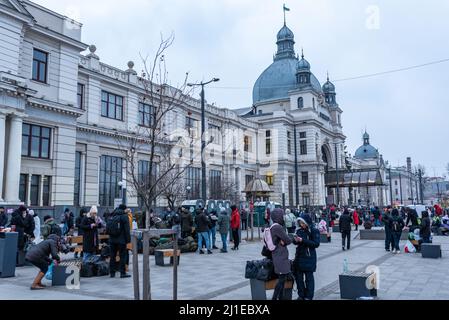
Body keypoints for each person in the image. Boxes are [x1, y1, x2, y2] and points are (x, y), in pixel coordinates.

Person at [293, 214, 320, 300]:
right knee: (299, 279)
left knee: (309, 278)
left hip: (309, 258)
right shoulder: (299, 231)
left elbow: (316, 244)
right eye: (300, 223)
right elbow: (295, 242)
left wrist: (302, 240)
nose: (302, 225)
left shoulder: (314, 231)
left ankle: (308, 296)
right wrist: (295, 240)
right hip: (299, 257)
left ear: (307, 222)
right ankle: (301, 295)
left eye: (303, 223)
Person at [269, 208, 292, 300]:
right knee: (281, 280)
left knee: (282, 279)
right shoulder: (277, 227)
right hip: (280, 256)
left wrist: (284, 241)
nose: (283, 218)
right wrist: (285, 241)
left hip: (277, 255)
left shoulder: (273, 226)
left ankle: (280, 298)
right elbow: (288, 240)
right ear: (278, 217)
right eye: (282, 216)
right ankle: (274, 298)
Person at [107, 204, 131, 278]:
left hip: (112, 240)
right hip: (121, 240)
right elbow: (127, 230)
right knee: (122, 256)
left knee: (112, 256)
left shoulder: (113, 215)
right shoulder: (124, 216)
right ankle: (122, 273)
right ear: (124, 209)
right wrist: (128, 240)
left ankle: (112, 273)